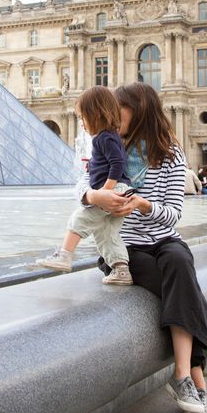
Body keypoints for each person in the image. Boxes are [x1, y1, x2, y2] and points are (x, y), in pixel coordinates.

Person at [81, 83, 207, 413]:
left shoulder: (170, 154)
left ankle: (182, 374)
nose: (111, 115)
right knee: (188, 292)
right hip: (122, 249)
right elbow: (80, 188)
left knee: (180, 261)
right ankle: (195, 377)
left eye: (118, 109)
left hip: (163, 238)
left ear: (137, 111)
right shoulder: (107, 144)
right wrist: (95, 197)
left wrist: (143, 205)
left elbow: (173, 214)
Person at [38, 86, 133, 285]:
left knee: (79, 218)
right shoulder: (110, 137)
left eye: (83, 117)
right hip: (120, 191)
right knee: (107, 234)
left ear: (96, 114)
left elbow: (118, 165)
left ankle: (64, 256)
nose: (81, 123)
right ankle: (121, 269)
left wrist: (105, 191)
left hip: (114, 191)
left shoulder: (103, 138)